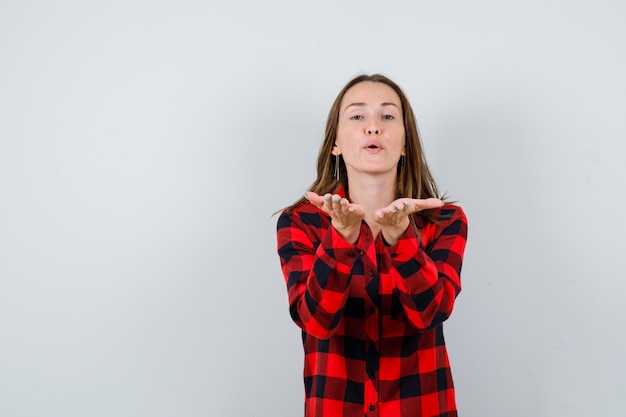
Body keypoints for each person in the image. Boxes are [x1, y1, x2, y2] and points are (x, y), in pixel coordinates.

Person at [276, 73, 468, 417]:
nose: (373, 127)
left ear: (406, 142)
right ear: (335, 141)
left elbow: (431, 313)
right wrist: (341, 239)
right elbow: (316, 322)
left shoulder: (445, 220)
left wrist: (401, 238)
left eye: (388, 116)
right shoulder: (301, 223)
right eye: (357, 115)